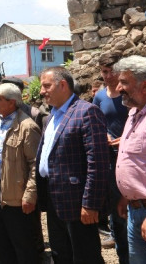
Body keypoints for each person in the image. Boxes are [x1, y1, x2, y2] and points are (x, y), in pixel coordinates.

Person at [35, 66, 109, 264]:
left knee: (85, 256)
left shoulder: (86, 112)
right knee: (61, 254)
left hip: (78, 202)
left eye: (46, 86)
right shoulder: (52, 116)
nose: (42, 91)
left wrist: (91, 204)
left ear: (63, 85)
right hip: (54, 198)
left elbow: (98, 163)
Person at [0, 83, 41, 264]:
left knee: (22, 244)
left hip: (16, 195)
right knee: (1, 242)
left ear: (12, 102)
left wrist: (30, 195)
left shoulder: (27, 127)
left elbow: (35, 165)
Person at [113, 56, 146, 263]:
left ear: (145, 85)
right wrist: (128, 195)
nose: (118, 87)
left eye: (124, 82)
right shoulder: (133, 113)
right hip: (136, 210)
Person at [93, 52, 129, 262]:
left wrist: (126, 139)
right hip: (109, 159)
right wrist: (103, 134)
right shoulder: (99, 96)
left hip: (130, 158)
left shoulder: (130, 93)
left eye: (109, 71)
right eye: (103, 72)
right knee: (115, 208)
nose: (106, 76)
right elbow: (96, 121)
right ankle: (122, 251)